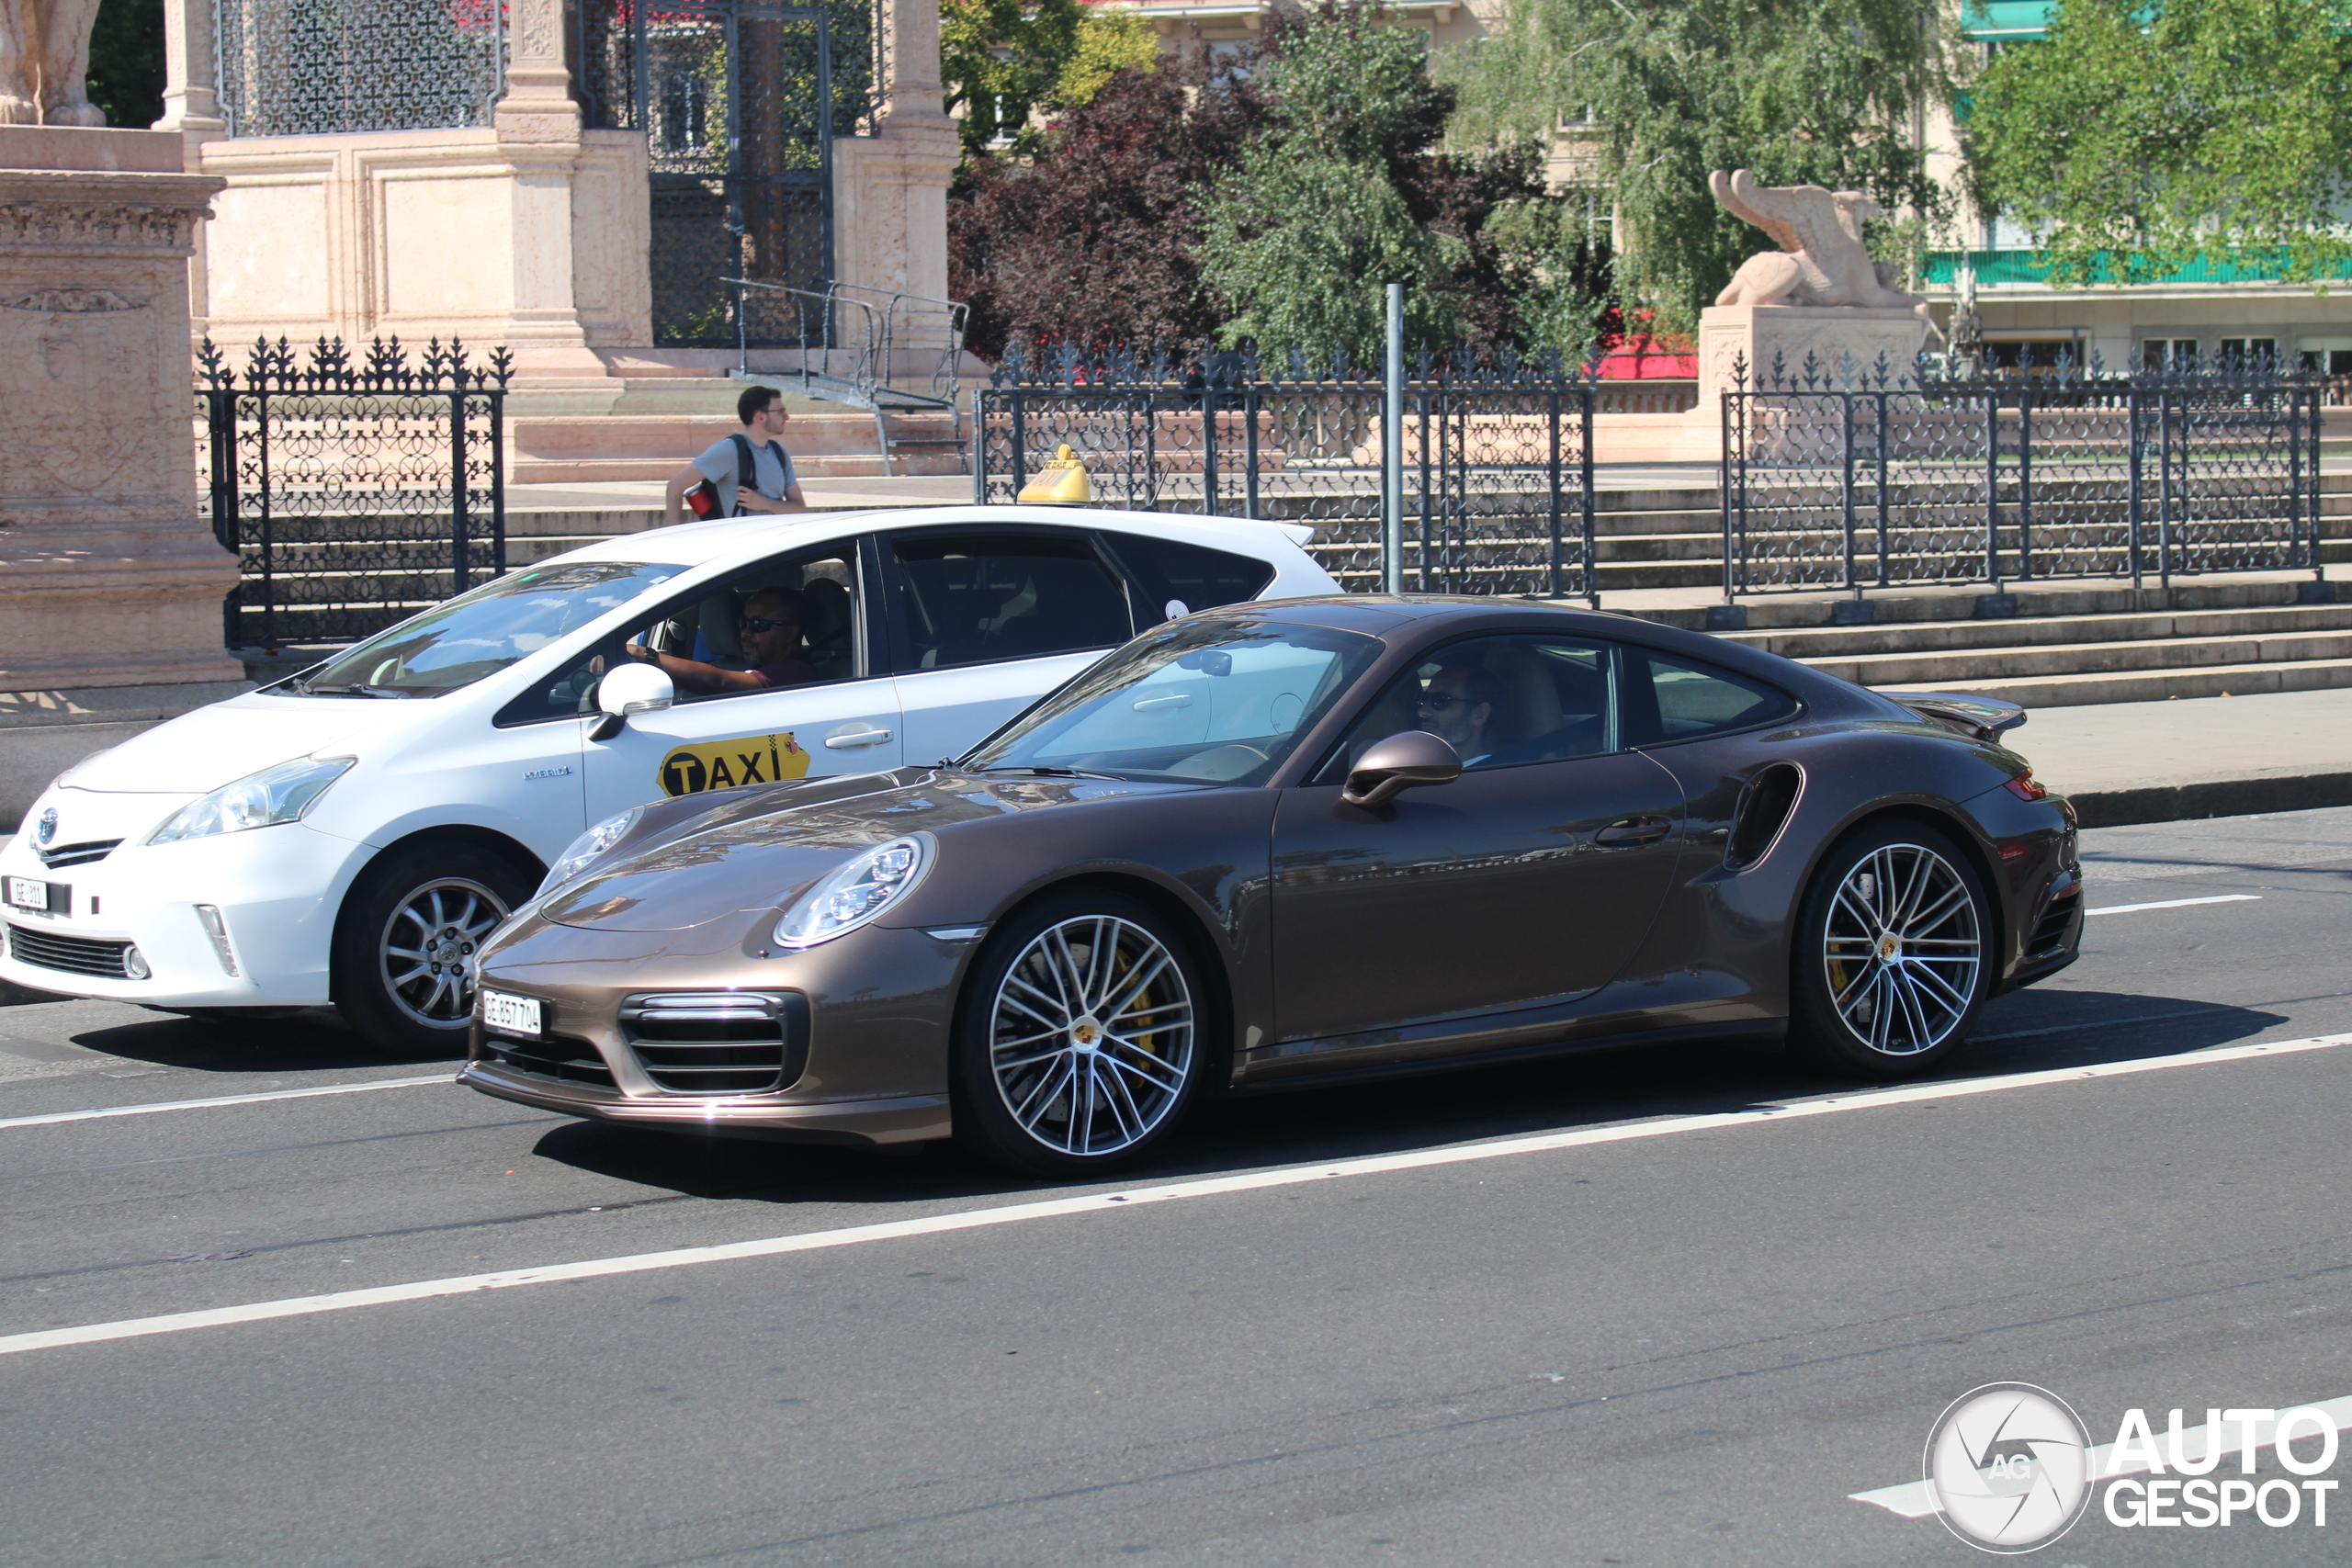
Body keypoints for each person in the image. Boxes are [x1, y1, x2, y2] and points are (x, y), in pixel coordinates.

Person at [622, 588, 817, 694]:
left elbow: (719, 682)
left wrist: (643, 655)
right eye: (744, 622)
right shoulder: (748, 667)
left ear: (790, 633)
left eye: (758, 624)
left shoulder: (795, 673)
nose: (745, 632)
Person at [664, 386, 808, 525]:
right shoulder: (728, 450)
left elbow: (800, 508)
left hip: (773, 544)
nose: (787, 416)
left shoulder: (779, 453)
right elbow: (675, 486)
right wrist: (674, 537)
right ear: (760, 418)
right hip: (740, 544)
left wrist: (765, 504)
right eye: (780, 411)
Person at [1414, 662, 1501, 766]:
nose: (1422, 712)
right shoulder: (1418, 769)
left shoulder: (1494, 777)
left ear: (1479, 714)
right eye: (1424, 697)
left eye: (1440, 700)